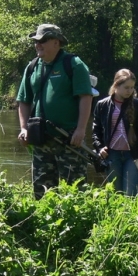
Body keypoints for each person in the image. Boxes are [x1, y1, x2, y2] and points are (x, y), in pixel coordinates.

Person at [16, 24, 93, 199]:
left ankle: (77, 225)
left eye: (43, 41)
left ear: (56, 42)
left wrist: (81, 129)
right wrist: (23, 128)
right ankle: (44, 225)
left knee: (75, 193)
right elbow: (24, 101)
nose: (38, 44)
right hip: (41, 140)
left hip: (69, 140)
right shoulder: (32, 67)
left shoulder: (73, 64)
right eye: (36, 41)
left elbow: (85, 97)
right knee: (42, 193)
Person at [92, 69, 138, 196]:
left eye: (132, 88)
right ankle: (116, 216)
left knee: (130, 193)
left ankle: (129, 215)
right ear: (116, 85)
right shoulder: (102, 105)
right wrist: (99, 148)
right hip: (111, 154)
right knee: (115, 194)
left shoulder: (136, 104)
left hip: (133, 154)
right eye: (126, 87)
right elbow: (96, 131)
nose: (130, 91)